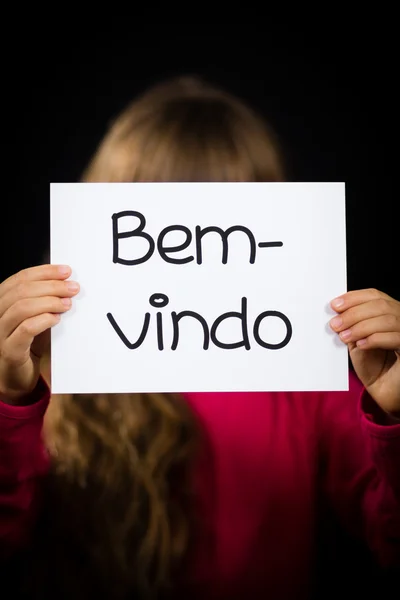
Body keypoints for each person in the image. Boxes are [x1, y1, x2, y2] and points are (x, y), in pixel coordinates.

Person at [0, 77, 399, 600]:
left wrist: (394, 417)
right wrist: (9, 400)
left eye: (230, 224)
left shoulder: (310, 383)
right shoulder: (44, 372)